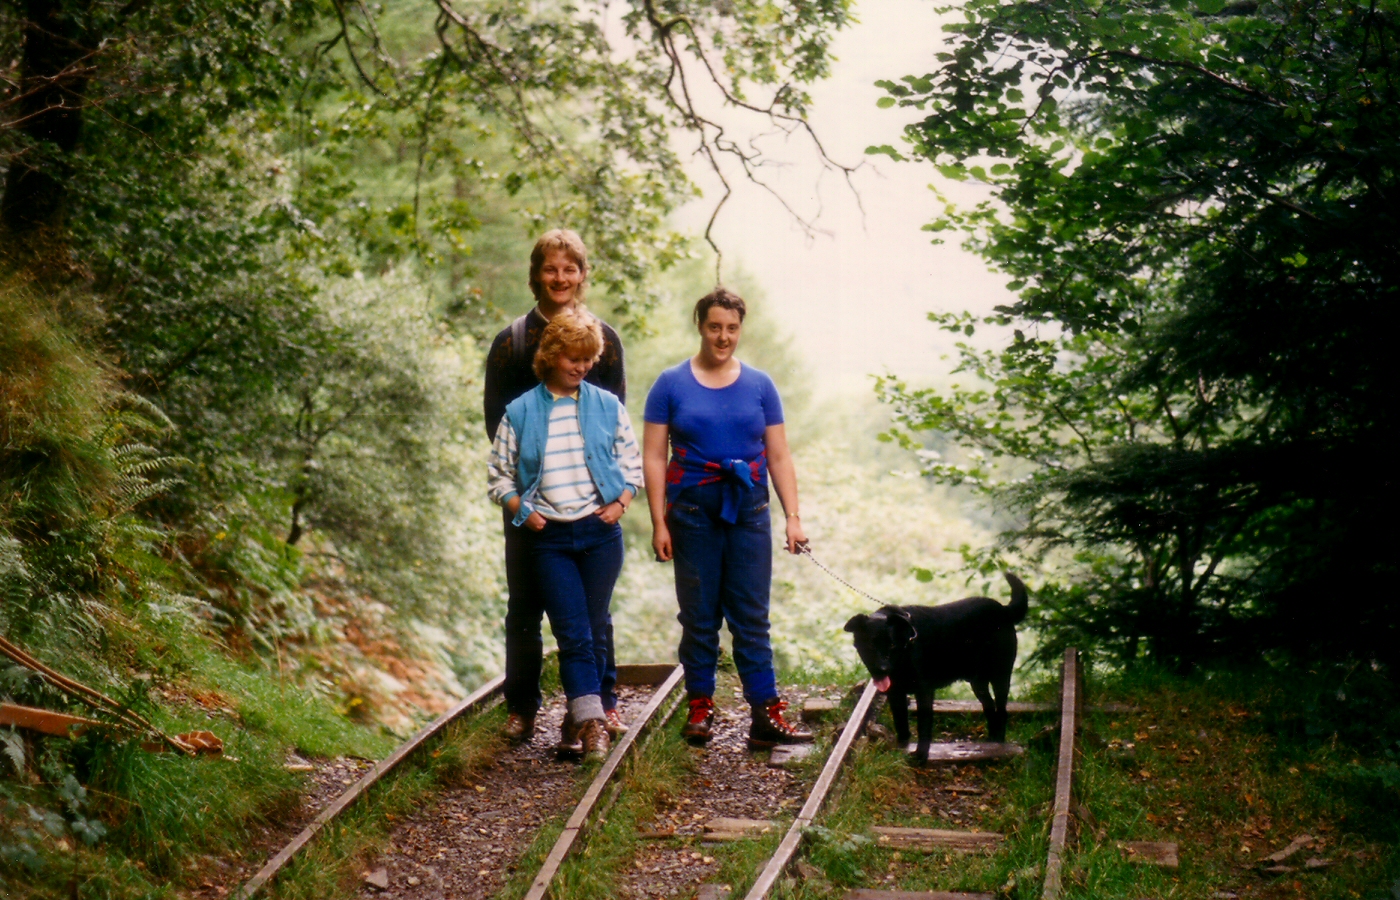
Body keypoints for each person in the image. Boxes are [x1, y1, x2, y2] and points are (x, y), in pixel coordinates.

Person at [642, 287, 814, 749]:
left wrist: (793, 517)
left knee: (751, 617)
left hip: (751, 510)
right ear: (700, 325)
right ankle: (701, 707)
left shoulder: (761, 385)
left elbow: (778, 455)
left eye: (732, 328)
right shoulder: (670, 383)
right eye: (715, 327)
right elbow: (655, 456)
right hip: (693, 512)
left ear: (741, 329)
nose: (723, 337)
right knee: (699, 616)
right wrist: (659, 520)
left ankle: (766, 712)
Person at [483, 229, 627, 744]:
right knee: (523, 606)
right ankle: (521, 706)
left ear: (583, 276)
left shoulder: (602, 339)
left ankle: (598, 705)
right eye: (551, 268)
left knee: (592, 612)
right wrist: (525, 496)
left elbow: (614, 427)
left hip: (587, 505)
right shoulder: (512, 342)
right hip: (528, 500)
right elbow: (495, 422)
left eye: (570, 269)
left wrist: (611, 496)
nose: (560, 278)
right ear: (535, 274)